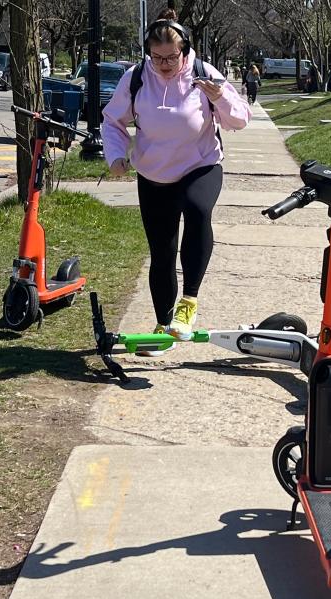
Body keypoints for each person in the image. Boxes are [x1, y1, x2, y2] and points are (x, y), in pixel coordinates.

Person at [101, 9, 251, 354]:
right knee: (162, 252)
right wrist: (116, 156)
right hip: (153, 173)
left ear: (185, 51)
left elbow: (239, 119)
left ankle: (189, 302)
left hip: (200, 164)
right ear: (148, 53)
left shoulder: (203, 74)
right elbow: (113, 121)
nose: (165, 64)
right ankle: (163, 325)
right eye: (157, 57)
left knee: (198, 212)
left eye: (172, 57)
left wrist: (219, 96)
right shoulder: (136, 77)